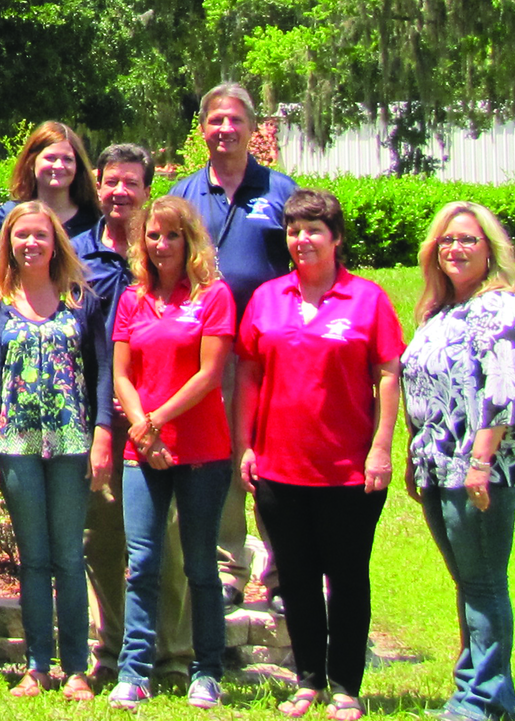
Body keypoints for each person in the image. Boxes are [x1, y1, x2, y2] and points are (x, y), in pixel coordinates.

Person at [235, 189, 402, 721]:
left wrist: (380, 448)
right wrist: (246, 444)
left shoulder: (367, 298)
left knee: (348, 578)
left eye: (313, 230)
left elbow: (388, 372)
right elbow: (249, 374)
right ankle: (307, 680)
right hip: (281, 466)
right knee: (298, 578)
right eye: (293, 230)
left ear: (336, 238)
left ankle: (346, 685)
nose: (302, 240)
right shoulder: (268, 297)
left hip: (349, 470)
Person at [402, 202, 515, 721]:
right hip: (439, 466)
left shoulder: (502, 308)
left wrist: (480, 461)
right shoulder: (441, 311)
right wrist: (417, 458)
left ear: (490, 250)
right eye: (446, 241)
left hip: (481, 470)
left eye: (467, 240)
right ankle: (479, 688)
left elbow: (504, 392)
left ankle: (483, 697)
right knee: (470, 581)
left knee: (482, 582)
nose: (455, 249)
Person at [168, 82, 296, 608]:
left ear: (253, 129)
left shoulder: (281, 191)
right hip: (208, 348)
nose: (225, 130)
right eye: (215, 121)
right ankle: (228, 567)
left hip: (270, 347)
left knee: (273, 455)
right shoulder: (182, 194)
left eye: (235, 120)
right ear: (202, 130)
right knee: (219, 452)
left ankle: (285, 569)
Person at [0, 204, 108, 700]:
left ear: (56, 243)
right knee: (34, 559)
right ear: (8, 243)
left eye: (40, 235)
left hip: (73, 444)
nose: (31, 244)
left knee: (69, 557)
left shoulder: (81, 300)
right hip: (15, 445)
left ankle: (76, 666)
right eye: (21, 235)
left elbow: (102, 374)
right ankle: (37, 665)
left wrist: (103, 436)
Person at [107, 196, 236, 711]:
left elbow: (209, 374)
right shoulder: (133, 299)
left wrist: (155, 422)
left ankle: (207, 671)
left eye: (172, 236)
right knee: (141, 564)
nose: (162, 246)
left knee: (201, 565)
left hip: (201, 448)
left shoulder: (214, 296)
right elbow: (121, 374)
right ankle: (134, 671)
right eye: (153, 237)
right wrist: (144, 430)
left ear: (191, 240)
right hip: (144, 452)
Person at [77, 145, 192, 690]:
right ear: (97, 187)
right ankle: (113, 649)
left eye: (131, 183)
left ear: (148, 190)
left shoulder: (167, 256)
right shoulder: (74, 256)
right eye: (111, 181)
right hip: (96, 419)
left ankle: (172, 655)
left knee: (163, 541)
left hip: (163, 420)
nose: (119, 191)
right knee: (101, 539)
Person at [6, 123, 102, 240]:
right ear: (31, 162)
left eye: (68, 159)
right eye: (50, 158)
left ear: (77, 166)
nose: (59, 166)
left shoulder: (95, 222)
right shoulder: (8, 216)